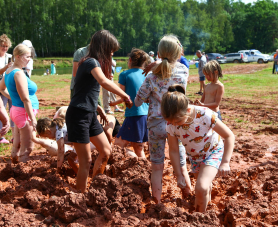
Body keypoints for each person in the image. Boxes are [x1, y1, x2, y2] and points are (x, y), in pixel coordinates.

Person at [65, 29, 133, 193]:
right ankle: (80, 197)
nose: (111, 54)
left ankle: (96, 187)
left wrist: (98, 108)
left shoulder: (92, 63)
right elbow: (102, 82)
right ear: (103, 47)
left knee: (106, 150)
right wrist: (124, 95)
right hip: (78, 115)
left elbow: (85, 90)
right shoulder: (90, 62)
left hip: (90, 114)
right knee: (86, 160)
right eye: (110, 50)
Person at [162, 85, 235, 212]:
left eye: (177, 122)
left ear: (188, 110)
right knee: (204, 187)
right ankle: (207, 209)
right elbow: (173, 150)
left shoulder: (204, 115)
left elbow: (229, 135)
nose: (174, 125)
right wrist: (178, 175)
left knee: (201, 187)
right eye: (171, 122)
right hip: (195, 157)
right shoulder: (171, 125)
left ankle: (200, 218)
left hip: (213, 152)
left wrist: (225, 162)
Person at [135, 35, 190, 203]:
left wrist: (148, 97)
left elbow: (137, 101)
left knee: (157, 166)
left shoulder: (151, 77)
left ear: (158, 53)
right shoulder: (184, 71)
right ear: (178, 52)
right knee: (181, 164)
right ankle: (188, 196)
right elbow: (173, 66)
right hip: (176, 124)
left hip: (156, 125)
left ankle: (156, 201)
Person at [0, 44, 39, 162]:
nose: (29, 59)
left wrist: (13, 97)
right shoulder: (18, 73)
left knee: (17, 142)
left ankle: (14, 165)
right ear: (18, 56)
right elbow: (26, 99)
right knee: (27, 147)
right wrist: (32, 118)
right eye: (27, 57)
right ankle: (22, 175)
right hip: (24, 113)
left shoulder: (9, 70)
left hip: (17, 111)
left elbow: (1, 88)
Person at [113, 48, 149, 158]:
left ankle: (136, 164)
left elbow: (124, 96)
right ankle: (144, 170)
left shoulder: (124, 75)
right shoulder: (147, 74)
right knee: (138, 147)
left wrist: (113, 103)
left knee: (117, 146)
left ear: (130, 60)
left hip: (134, 114)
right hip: (146, 114)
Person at [0, 34, 13, 144]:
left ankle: (15, 135)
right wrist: (6, 67)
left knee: (13, 108)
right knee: (2, 110)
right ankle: (1, 136)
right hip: (0, 86)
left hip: (9, 85)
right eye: (3, 46)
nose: (5, 48)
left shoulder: (9, 56)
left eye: (6, 46)